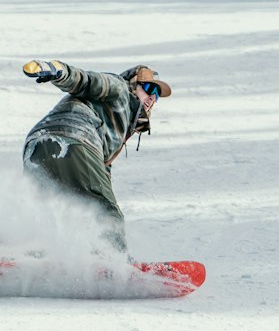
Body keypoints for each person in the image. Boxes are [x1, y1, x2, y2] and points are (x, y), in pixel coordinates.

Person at [22, 60, 171, 254]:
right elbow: (86, 81)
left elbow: (101, 168)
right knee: (106, 211)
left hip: (37, 146)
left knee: (49, 209)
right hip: (74, 139)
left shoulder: (122, 125)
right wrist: (57, 71)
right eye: (149, 88)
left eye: (157, 95)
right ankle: (114, 262)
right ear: (134, 84)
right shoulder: (120, 89)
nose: (152, 97)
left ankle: (30, 256)